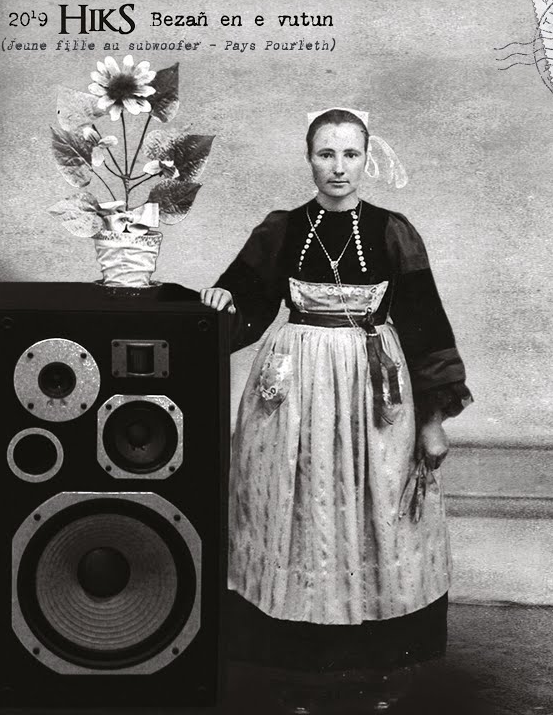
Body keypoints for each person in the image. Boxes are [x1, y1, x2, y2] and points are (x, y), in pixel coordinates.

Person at [200, 108, 472, 714]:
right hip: (291, 394)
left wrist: (431, 422)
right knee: (295, 514)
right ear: (309, 158)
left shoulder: (394, 231)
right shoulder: (281, 229)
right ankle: (296, 669)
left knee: (376, 515)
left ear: (367, 159)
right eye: (326, 154)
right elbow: (244, 302)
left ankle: (378, 669)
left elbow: (426, 326)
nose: (338, 167)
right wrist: (221, 298)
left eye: (350, 154)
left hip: (373, 394)